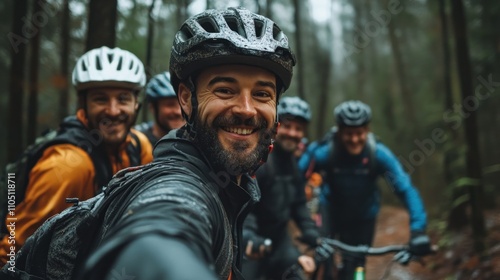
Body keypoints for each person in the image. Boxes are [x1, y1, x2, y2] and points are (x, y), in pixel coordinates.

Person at [80, 7, 297, 280]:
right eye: (225, 90)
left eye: (262, 94)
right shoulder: (181, 185)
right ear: (185, 98)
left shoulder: (233, 183)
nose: (247, 110)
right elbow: (163, 225)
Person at [0, 46, 153, 266]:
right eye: (100, 99)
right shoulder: (67, 166)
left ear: (136, 104)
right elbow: (15, 250)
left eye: (123, 99)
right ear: (84, 104)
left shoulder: (139, 146)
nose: (112, 110)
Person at [299, 100, 432, 280]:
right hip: (330, 212)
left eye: (359, 133)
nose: (354, 139)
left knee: (357, 266)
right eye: (349, 134)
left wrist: (418, 231)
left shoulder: (378, 154)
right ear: (339, 131)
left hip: (364, 218)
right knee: (324, 262)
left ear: (367, 130)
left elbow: (406, 189)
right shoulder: (325, 151)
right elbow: (296, 179)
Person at [242, 96, 321, 280]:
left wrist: (310, 231)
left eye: (298, 129)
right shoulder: (259, 161)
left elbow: (299, 204)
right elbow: (246, 205)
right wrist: (249, 235)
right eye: (287, 126)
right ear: (276, 127)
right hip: (252, 245)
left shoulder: (293, 164)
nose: (292, 133)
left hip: (280, 244)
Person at [134, 71, 185, 145]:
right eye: (170, 105)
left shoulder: (199, 141)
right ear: (152, 108)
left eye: (183, 103)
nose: (179, 112)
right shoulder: (135, 142)